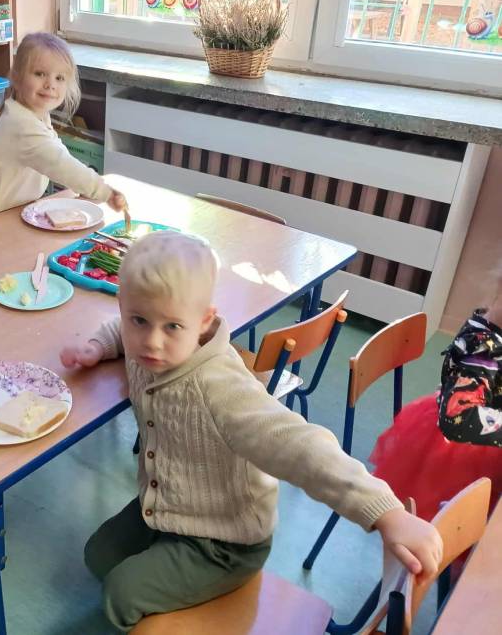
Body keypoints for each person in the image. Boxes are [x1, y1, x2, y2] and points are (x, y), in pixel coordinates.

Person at [60, 230, 443, 631]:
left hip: (224, 543)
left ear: (203, 320)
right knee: (99, 555)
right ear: (124, 306)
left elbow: (301, 446)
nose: (151, 343)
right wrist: (97, 346)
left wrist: (387, 512)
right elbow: (119, 329)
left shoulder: (221, 389)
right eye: (139, 320)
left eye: (172, 327)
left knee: (120, 593)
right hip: (167, 508)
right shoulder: (144, 337)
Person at [0, 32, 127, 225]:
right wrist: (104, 192)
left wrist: (87, 186)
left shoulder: (34, 112)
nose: (50, 84)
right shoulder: (21, 124)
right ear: (17, 76)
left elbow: (56, 150)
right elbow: (59, 163)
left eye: (59, 78)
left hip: (7, 210)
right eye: (39, 74)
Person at [371, 272, 502, 521]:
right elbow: (458, 419)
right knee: (446, 530)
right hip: (457, 451)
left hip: (482, 441)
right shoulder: (482, 347)